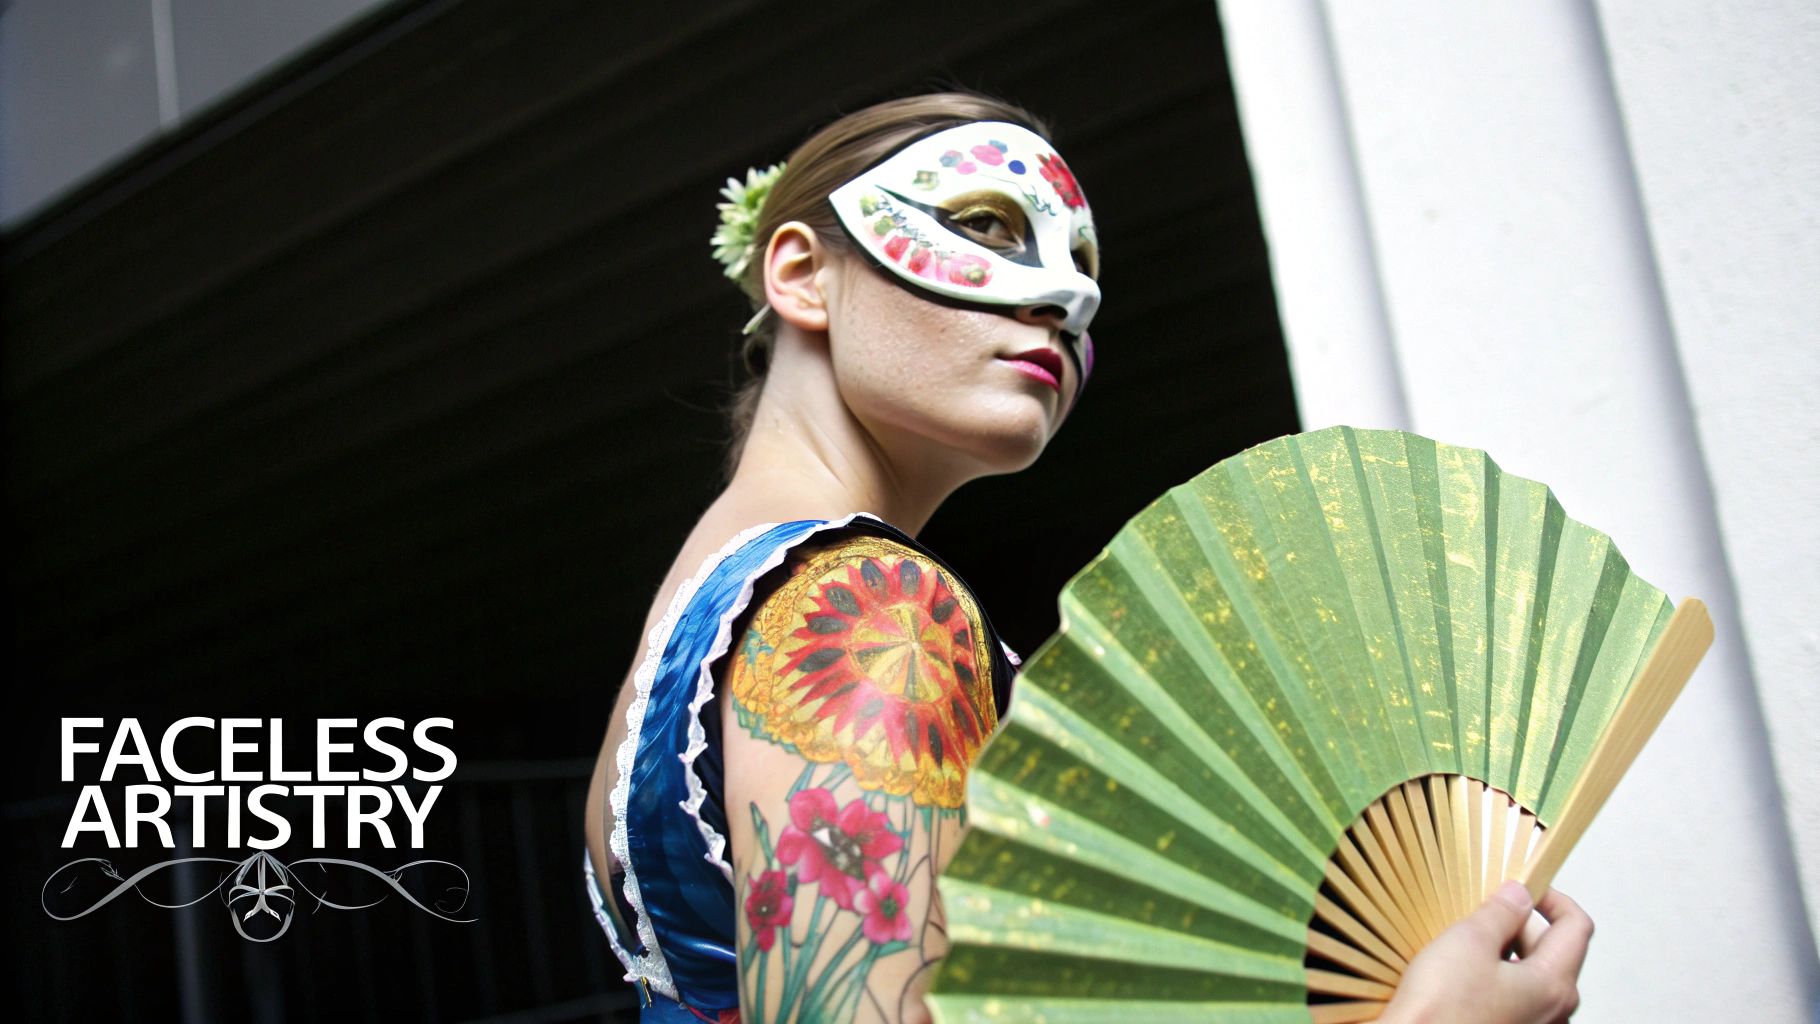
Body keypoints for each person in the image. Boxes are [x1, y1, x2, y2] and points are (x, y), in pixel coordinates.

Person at [582, 89, 1592, 1024]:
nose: (1063, 299)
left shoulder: (695, 622)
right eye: (985, 227)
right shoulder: (869, 611)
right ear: (801, 275)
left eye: (1083, 268)